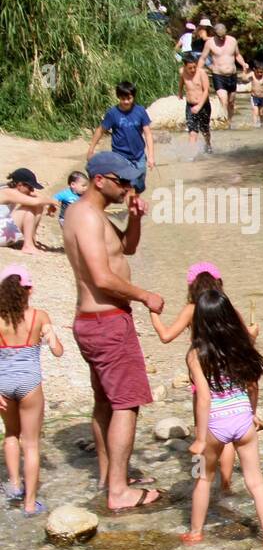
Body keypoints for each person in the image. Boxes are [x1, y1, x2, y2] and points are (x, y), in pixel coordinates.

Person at [61, 152, 165, 512]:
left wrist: (135, 219)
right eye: (123, 183)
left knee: (105, 400)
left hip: (92, 323)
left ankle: (109, 476)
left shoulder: (89, 214)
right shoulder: (88, 218)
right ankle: (119, 491)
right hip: (106, 323)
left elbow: (127, 249)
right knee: (127, 403)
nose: (128, 189)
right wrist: (145, 296)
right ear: (100, 180)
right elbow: (103, 278)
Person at [182, 289, 263, 547]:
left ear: (200, 320)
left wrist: (200, 438)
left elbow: (203, 398)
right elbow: (252, 384)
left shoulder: (195, 354)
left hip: (215, 424)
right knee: (256, 482)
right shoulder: (240, 345)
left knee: (202, 477)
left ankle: (195, 532)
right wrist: (252, 413)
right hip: (242, 420)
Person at [152, 262, 260, 493]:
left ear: (192, 287)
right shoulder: (227, 308)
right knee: (229, 436)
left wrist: (153, 314)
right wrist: (254, 332)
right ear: (219, 283)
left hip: (202, 374)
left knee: (204, 431)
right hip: (230, 381)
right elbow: (246, 337)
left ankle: (201, 481)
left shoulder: (192, 308)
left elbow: (166, 336)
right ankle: (226, 484)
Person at [0, 265, 63, 515]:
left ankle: (14, 485)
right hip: (29, 385)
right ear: (28, 290)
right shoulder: (40, 316)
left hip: (2, 385)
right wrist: (52, 336)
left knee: (11, 434)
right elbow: (58, 351)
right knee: (32, 444)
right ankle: (29, 504)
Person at [86, 81, 155, 195]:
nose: (126, 102)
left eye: (129, 98)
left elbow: (148, 134)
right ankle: (131, 209)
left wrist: (151, 156)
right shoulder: (113, 113)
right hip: (120, 156)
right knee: (130, 187)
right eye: (123, 99)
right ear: (118, 97)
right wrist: (91, 149)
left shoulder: (140, 111)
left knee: (139, 186)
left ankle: (134, 206)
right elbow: (100, 130)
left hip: (139, 155)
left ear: (133, 96)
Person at [198, 24, 249, 123]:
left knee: (231, 102)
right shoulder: (210, 43)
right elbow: (203, 58)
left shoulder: (232, 41)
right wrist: (198, 71)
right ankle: (224, 122)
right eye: (219, 36)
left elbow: (237, 55)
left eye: (223, 36)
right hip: (218, 75)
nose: (221, 38)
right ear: (214, 33)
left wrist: (243, 63)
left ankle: (230, 122)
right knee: (223, 100)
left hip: (232, 75)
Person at [0, 169, 59, 254]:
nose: (32, 190)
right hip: (2, 236)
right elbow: (35, 201)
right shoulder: (8, 192)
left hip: (4, 234)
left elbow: (38, 197)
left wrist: (49, 203)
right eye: (30, 187)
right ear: (20, 185)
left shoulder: (14, 189)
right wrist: (54, 202)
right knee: (28, 208)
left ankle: (31, 240)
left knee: (37, 205)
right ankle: (28, 245)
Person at [178, 53, 212, 153]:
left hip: (203, 105)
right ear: (185, 66)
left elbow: (206, 90)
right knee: (192, 132)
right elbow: (181, 82)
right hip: (190, 106)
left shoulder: (202, 73)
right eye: (190, 68)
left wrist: (199, 106)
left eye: (194, 67)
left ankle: (208, 145)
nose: (193, 70)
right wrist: (179, 91)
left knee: (205, 130)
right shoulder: (182, 72)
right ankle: (191, 154)